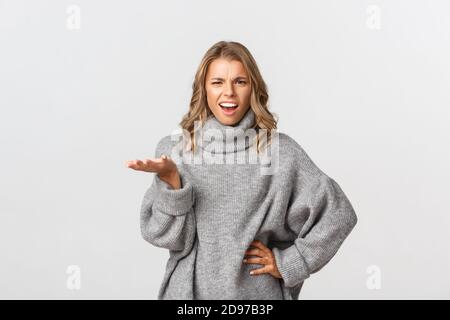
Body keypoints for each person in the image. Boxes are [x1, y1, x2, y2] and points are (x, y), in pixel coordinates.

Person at [126, 41, 358, 300]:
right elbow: (164, 237)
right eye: (217, 82)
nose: (229, 93)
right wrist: (172, 183)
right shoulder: (175, 150)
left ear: (253, 88)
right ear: (203, 89)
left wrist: (292, 261)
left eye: (240, 82)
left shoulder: (280, 153)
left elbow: (338, 214)